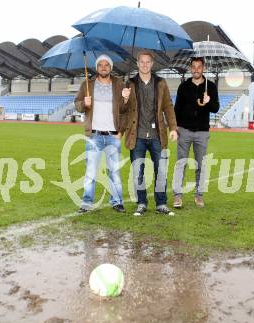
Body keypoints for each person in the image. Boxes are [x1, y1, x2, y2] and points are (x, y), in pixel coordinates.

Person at [121, 50, 178, 216]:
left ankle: (161, 203)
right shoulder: (129, 83)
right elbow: (122, 110)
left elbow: (168, 106)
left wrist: (173, 128)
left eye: (148, 62)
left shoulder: (161, 83)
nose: (145, 64)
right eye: (142, 62)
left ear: (152, 64)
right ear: (137, 64)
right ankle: (141, 202)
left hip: (156, 135)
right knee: (138, 172)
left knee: (160, 171)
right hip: (136, 135)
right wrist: (124, 99)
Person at [74, 54, 130, 213]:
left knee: (115, 172)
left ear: (111, 68)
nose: (103, 67)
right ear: (97, 67)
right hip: (94, 136)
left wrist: (126, 100)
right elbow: (77, 104)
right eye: (100, 65)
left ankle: (117, 201)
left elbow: (125, 111)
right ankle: (86, 202)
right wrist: (83, 103)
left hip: (113, 136)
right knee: (91, 172)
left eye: (107, 65)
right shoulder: (87, 84)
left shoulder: (119, 84)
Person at [172, 57, 219, 208]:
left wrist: (208, 102)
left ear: (203, 68)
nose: (196, 69)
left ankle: (199, 196)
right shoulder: (183, 86)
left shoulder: (210, 86)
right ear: (190, 68)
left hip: (202, 132)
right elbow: (177, 109)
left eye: (199, 67)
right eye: (194, 67)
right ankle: (177, 196)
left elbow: (215, 108)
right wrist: (174, 127)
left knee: (201, 165)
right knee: (181, 164)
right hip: (184, 131)